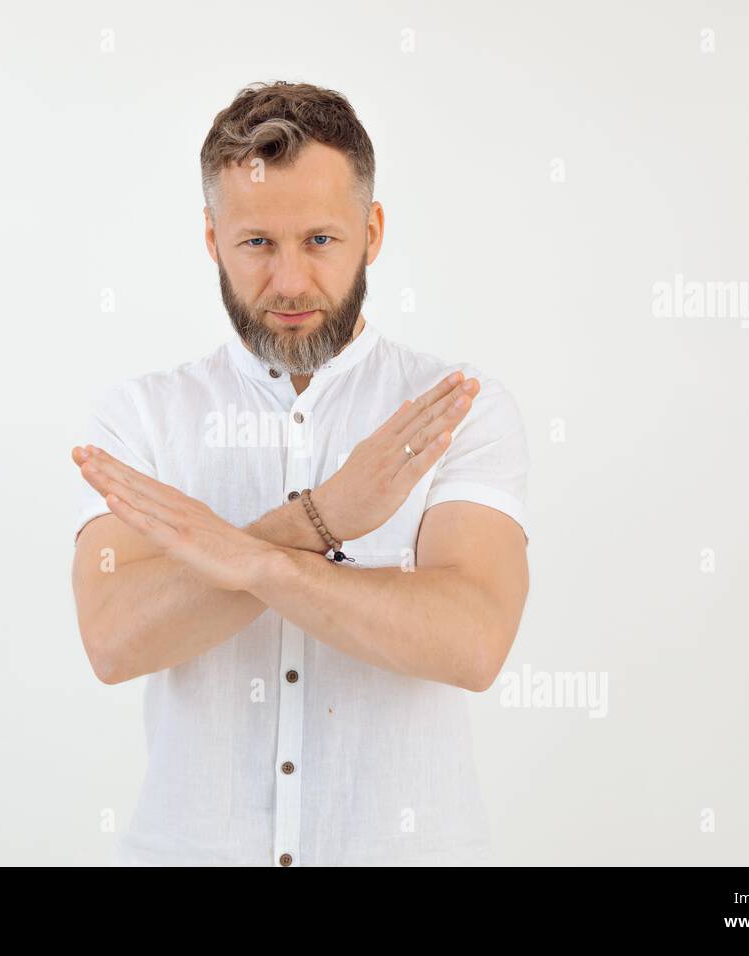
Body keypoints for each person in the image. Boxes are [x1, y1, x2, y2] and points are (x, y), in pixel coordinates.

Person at [71, 81, 530, 866]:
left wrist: (246, 557)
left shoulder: (454, 408)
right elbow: (114, 641)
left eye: (320, 240)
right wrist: (315, 522)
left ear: (372, 231)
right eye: (257, 243)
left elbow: (473, 642)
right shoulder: (139, 415)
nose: (288, 283)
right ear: (212, 238)